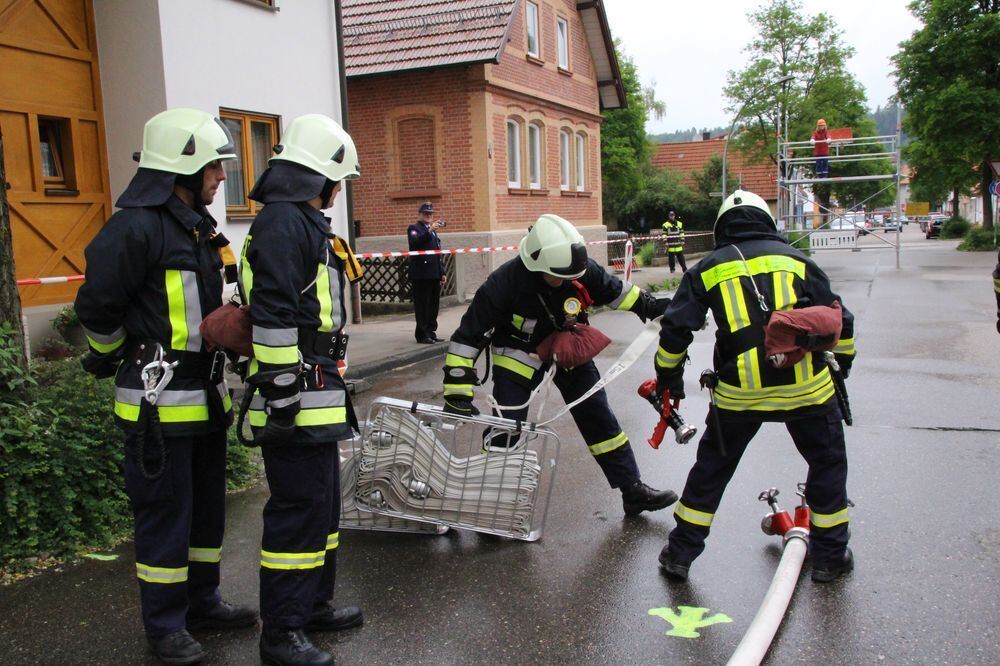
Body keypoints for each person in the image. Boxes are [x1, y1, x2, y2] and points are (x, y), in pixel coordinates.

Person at [75, 108, 257, 664]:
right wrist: (109, 357)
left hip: (204, 398)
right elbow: (97, 307)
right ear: (181, 167)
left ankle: (203, 602)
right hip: (157, 405)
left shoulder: (197, 228)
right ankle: (165, 624)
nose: (223, 177)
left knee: (205, 513)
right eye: (213, 167)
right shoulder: (133, 228)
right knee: (164, 515)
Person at [654, 189, 856, 583]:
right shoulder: (799, 261)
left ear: (721, 228)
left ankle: (679, 554)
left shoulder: (707, 268)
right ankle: (830, 559)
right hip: (808, 391)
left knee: (712, 470)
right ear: (766, 221)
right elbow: (840, 320)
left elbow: (676, 329)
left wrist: (668, 377)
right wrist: (841, 367)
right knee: (827, 464)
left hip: (738, 395)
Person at [442, 214, 678, 516]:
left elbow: (616, 291)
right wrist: (457, 389)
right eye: (559, 278)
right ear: (536, 266)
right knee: (508, 422)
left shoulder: (576, 268)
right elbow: (468, 335)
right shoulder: (503, 283)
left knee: (597, 414)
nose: (568, 282)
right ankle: (494, 498)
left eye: (572, 277)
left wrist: (651, 306)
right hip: (518, 353)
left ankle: (631, 489)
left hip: (566, 346)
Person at [240, 114, 365, 666]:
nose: (339, 191)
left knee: (323, 506)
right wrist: (285, 392)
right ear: (322, 176)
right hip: (297, 390)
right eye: (339, 180)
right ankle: (281, 634)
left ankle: (313, 605)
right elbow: (272, 316)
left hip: (316, 385)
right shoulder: (285, 224)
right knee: (299, 509)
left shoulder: (297, 222)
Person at [408, 202, 447, 343]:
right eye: (426, 213)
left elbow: (437, 253)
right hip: (421, 274)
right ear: (420, 214)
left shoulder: (433, 231)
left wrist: (442, 272)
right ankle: (422, 334)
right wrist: (429, 231)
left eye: (430, 214)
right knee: (422, 305)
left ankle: (431, 331)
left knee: (433, 305)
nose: (428, 216)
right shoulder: (414, 228)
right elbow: (415, 243)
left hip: (434, 273)